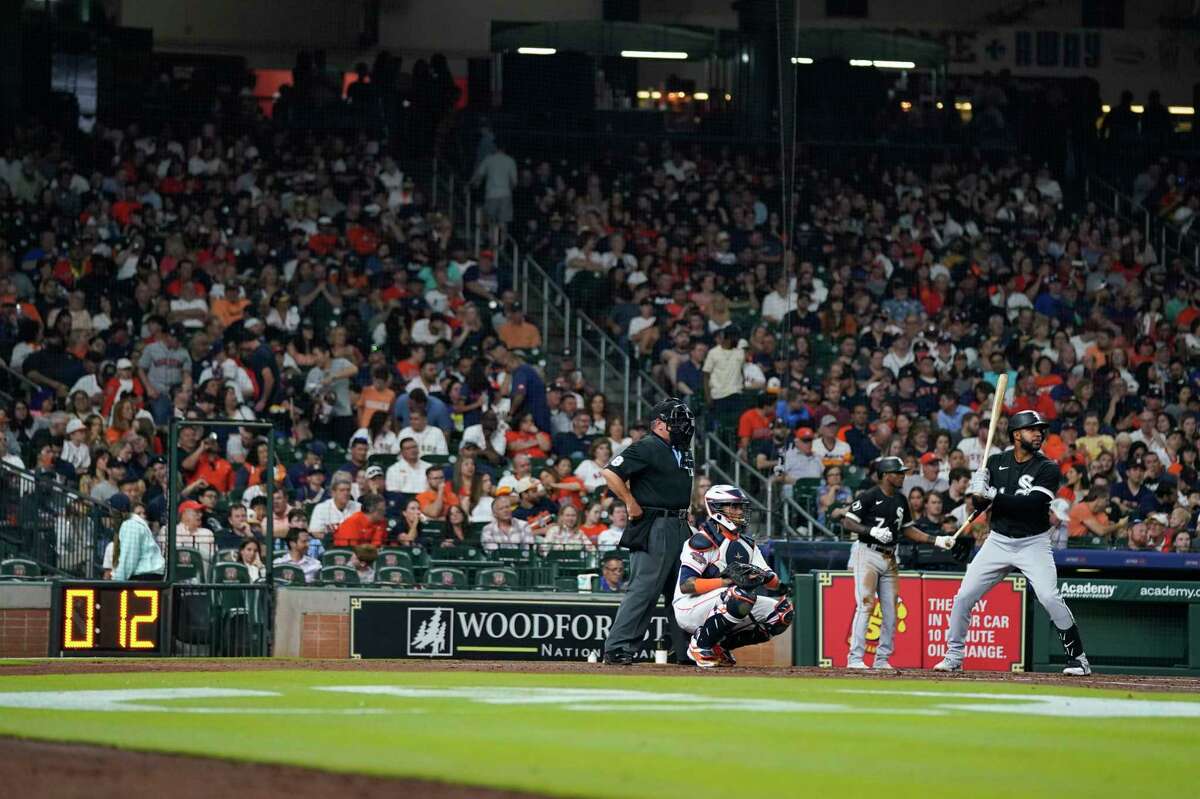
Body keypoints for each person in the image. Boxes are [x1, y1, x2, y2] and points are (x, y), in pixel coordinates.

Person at [935, 411, 1093, 676]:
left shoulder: (1048, 467)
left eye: (1041, 430)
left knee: (1049, 596)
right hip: (998, 541)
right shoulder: (995, 461)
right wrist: (978, 492)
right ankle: (953, 655)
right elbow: (981, 505)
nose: (1039, 434)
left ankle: (1078, 659)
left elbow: (1034, 504)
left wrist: (993, 494)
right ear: (1017, 434)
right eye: (1033, 430)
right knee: (963, 597)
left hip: (1033, 542)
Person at [602, 398, 697, 665]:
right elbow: (610, 473)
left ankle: (685, 650)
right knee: (645, 588)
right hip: (655, 523)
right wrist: (630, 501)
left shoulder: (682, 450)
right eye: (676, 421)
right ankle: (618, 647)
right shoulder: (646, 445)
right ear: (658, 424)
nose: (683, 427)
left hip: (680, 524)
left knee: (683, 590)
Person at [840, 457, 954, 669]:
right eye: (898, 472)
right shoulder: (869, 496)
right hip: (868, 554)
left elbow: (907, 529)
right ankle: (855, 659)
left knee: (891, 611)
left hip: (891, 556)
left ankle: (882, 659)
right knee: (865, 605)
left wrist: (935, 539)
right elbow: (848, 521)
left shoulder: (901, 499)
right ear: (885, 475)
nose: (902, 476)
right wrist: (870, 530)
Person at [673, 485, 794, 667]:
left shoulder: (747, 544)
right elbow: (687, 585)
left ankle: (719, 646)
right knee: (739, 594)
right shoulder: (702, 541)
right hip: (689, 606)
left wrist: (764, 577)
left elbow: (772, 583)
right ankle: (700, 645)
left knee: (783, 612)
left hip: (727, 603)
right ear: (716, 508)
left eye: (740, 507)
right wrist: (726, 581)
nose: (739, 512)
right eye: (733, 506)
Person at [111, 503, 165, 581]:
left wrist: (117, 582)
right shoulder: (133, 524)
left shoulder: (131, 525)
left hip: (146, 576)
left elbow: (129, 560)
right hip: (148, 576)